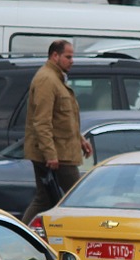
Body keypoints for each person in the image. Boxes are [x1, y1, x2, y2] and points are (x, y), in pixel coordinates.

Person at [23, 39, 93, 223]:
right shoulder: (47, 79)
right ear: (55, 56)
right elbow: (41, 121)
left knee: (45, 199)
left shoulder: (56, 78)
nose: (72, 61)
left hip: (62, 150)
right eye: (68, 56)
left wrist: (80, 139)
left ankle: (28, 235)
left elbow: (63, 118)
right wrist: (50, 154)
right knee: (77, 197)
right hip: (58, 155)